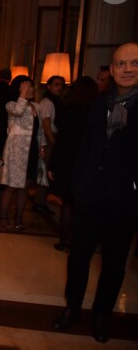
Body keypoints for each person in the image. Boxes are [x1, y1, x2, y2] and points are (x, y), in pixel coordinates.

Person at [53, 43, 138, 343]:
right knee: (79, 256)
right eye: (121, 64)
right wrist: (78, 183)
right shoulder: (99, 103)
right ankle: (72, 307)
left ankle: (102, 315)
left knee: (114, 263)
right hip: (89, 195)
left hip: (125, 200)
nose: (127, 69)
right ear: (112, 69)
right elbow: (86, 146)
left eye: (134, 64)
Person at [48, 76, 98, 252]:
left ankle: (63, 240)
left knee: (68, 203)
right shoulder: (95, 112)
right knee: (81, 205)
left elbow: (62, 142)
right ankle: (79, 242)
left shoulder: (70, 112)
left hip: (69, 163)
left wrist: (53, 165)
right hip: (87, 164)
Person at [0, 76, 46, 231]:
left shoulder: (36, 107)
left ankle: (19, 218)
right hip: (16, 151)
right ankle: (3, 217)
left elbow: (40, 130)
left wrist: (42, 147)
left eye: (31, 87)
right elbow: (18, 111)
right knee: (11, 186)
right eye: (27, 87)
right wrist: (22, 94)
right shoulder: (11, 104)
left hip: (31, 150)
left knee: (25, 186)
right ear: (19, 88)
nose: (31, 90)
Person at [32, 75, 65, 215]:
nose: (60, 88)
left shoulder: (56, 102)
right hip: (47, 139)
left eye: (61, 85)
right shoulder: (48, 102)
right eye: (56, 84)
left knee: (46, 170)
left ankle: (41, 201)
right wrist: (54, 143)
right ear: (49, 86)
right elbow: (46, 124)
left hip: (50, 137)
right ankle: (39, 202)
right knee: (44, 170)